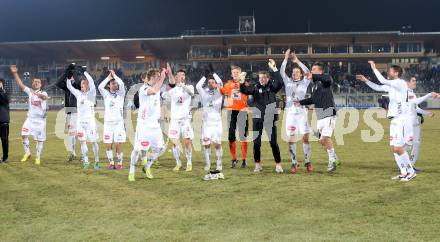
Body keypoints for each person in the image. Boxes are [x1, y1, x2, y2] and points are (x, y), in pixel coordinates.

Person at [365, 61, 438, 181]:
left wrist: (374, 68)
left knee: (399, 148)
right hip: (395, 120)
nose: (388, 73)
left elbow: (383, 81)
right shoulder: (393, 86)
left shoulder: (400, 83)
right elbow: (378, 86)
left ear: (396, 73)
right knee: (395, 148)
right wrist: (365, 81)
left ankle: (411, 171)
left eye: (390, 71)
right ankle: (404, 172)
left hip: (401, 120)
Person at [240, 59, 284, 173]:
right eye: (260, 78)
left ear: (267, 78)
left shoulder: (272, 87)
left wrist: (275, 69)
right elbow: (244, 90)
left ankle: (278, 164)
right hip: (257, 119)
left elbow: (280, 83)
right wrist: (241, 81)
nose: (262, 80)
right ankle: (257, 164)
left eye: (264, 78)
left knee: (273, 143)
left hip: (270, 119)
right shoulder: (254, 88)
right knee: (256, 143)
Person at [295, 62, 340, 173]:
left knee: (325, 138)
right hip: (320, 116)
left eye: (314, 69)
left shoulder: (325, 80)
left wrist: (314, 76)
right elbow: (313, 100)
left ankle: (332, 161)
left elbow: (328, 79)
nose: (312, 71)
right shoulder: (314, 85)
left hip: (329, 113)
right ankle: (334, 156)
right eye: (312, 69)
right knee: (321, 140)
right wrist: (300, 102)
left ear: (320, 71)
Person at [128, 68, 166, 181]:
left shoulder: (157, 88)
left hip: (155, 125)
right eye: (158, 76)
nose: (159, 78)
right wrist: (163, 77)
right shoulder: (144, 88)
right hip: (144, 125)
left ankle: (147, 167)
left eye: (160, 76)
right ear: (153, 77)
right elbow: (153, 91)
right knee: (137, 149)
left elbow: (165, 89)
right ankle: (131, 172)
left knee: (159, 148)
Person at [280, 49, 313, 174]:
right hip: (290, 113)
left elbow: (308, 72)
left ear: (300, 74)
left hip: (302, 112)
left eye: (297, 72)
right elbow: (282, 71)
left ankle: (307, 161)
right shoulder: (287, 81)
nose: (295, 74)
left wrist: (297, 61)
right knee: (291, 139)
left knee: (305, 138)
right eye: (293, 72)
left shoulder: (305, 82)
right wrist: (286, 58)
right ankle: (294, 163)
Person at [10, 65, 48, 165]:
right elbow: (20, 84)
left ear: (41, 84)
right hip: (30, 119)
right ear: (32, 83)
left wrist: (38, 94)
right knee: (24, 135)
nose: (36, 83)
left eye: (38, 82)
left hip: (40, 121)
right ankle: (27, 153)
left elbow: (44, 98)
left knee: (39, 140)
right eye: (34, 82)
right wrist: (15, 73)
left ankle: (38, 157)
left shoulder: (44, 92)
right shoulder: (30, 92)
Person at [162, 65, 195, 172]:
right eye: (179, 75)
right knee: (175, 143)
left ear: (184, 77)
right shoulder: (172, 91)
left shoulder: (189, 87)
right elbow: (164, 96)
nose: (181, 76)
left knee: (186, 142)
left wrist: (182, 86)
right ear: (175, 78)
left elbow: (192, 93)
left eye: (183, 75)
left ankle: (189, 162)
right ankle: (178, 163)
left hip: (185, 120)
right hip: (175, 121)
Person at [66, 71, 100, 169]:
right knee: (82, 142)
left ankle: (97, 161)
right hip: (80, 123)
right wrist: (69, 78)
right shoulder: (78, 94)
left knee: (93, 142)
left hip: (90, 123)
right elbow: (69, 86)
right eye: (82, 84)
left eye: (85, 83)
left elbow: (92, 82)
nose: (83, 85)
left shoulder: (91, 93)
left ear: (87, 85)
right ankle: (86, 161)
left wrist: (84, 72)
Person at [221, 65, 249, 168]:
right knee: (231, 137)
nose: (235, 74)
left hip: (242, 111)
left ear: (240, 73)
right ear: (231, 74)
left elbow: (248, 90)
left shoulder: (245, 83)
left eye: (237, 72)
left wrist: (242, 82)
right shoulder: (228, 84)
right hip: (231, 112)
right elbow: (221, 91)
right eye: (234, 73)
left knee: (243, 137)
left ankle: (244, 160)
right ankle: (233, 159)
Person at [195, 70, 224, 173]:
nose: (211, 83)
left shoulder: (220, 92)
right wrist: (204, 76)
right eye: (209, 82)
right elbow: (198, 86)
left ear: (215, 83)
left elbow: (220, 83)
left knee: (217, 144)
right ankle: (208, 164)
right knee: (206, 144)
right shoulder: (204, 93)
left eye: (213, 82)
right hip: (207, 123)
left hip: (216, 123)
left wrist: (214, 73)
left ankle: (219, 165)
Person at [98, 70, 126, 170]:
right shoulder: (106, 94)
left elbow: (122, 83)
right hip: (108, 124)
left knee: (118, 144)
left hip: (118, 123)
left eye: (116, 83)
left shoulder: (121, 94)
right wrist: (108, 78)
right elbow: (100, 87)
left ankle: (120, 163)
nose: (115, 85)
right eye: (113, 83)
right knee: (108, 144)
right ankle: (111, 163)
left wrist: (114, 75)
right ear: (109, 85)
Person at [56, 64, 82, 162]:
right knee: (71, 133)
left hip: (79, 111)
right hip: (70, 110)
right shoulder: (68, 86)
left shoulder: (79, 85)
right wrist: (66, 72)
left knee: (80, 133)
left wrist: (73, 71)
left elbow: (79, 82)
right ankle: (72, 152)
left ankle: (83, 154)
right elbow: (58, 83)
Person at [0, 78, 10, 163]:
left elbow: (5, 100)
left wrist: (1, 90)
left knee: (4, 140)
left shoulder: (6, 93)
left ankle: (5, 157)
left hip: (3, 120)